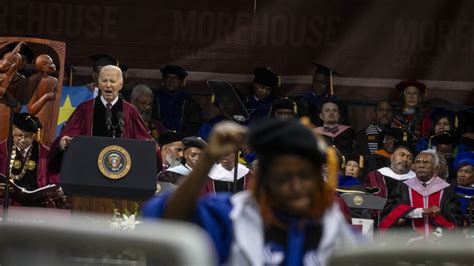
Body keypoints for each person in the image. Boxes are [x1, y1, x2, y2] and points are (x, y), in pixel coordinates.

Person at [143, 119, 357, 265]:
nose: (296, 187)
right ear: (263, 179)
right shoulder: (234, 214)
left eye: (304, 176)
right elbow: (166, 217)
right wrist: (207, 160)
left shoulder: (330, 222)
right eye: (283, 177)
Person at [48, 65, 160, 174]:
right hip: (88, 172)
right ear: (98, 83)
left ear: (120, 84)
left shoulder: (130, 111)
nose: (108, 85)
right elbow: (67, 135)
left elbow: (145, 141)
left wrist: (151, 147)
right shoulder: (85, 109)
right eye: (104, 80)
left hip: (122, 173)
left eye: (112, 81)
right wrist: (64, 142)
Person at [379, 150, 457, 239]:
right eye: (417, 162)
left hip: (439, 242)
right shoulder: (403, 187)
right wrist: (422, 211)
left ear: (435, 168)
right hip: (408, 240)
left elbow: (452, 219)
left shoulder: (446, 190)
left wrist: (437, 234)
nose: (421, 165)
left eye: (426, 162)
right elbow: (392, 211)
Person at [0, 113, 63, 207]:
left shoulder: (46, 153)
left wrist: (58, 190)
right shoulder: (2, 150)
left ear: (34, 135)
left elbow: (55, 181)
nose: (22, 140)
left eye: (28, 136)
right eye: (19, 135)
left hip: (37, 206)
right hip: (7, 204)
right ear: (12, 132)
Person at [153, 64, 203, 136]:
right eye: (168, 77)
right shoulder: (155, 98)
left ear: (181, 82)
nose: (171, 81)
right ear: (164, 80)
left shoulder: (188, 101)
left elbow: (194, 125)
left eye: (175, 78)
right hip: (159, 139)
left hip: (181, 140)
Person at [27, 54, 58, 145]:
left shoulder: (54, 81)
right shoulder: (33, 80)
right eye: (51, 63)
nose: (54, 65)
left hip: (50, 117)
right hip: (39, 117)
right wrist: (46, 97)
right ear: (44, 67)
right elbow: (31, 109)